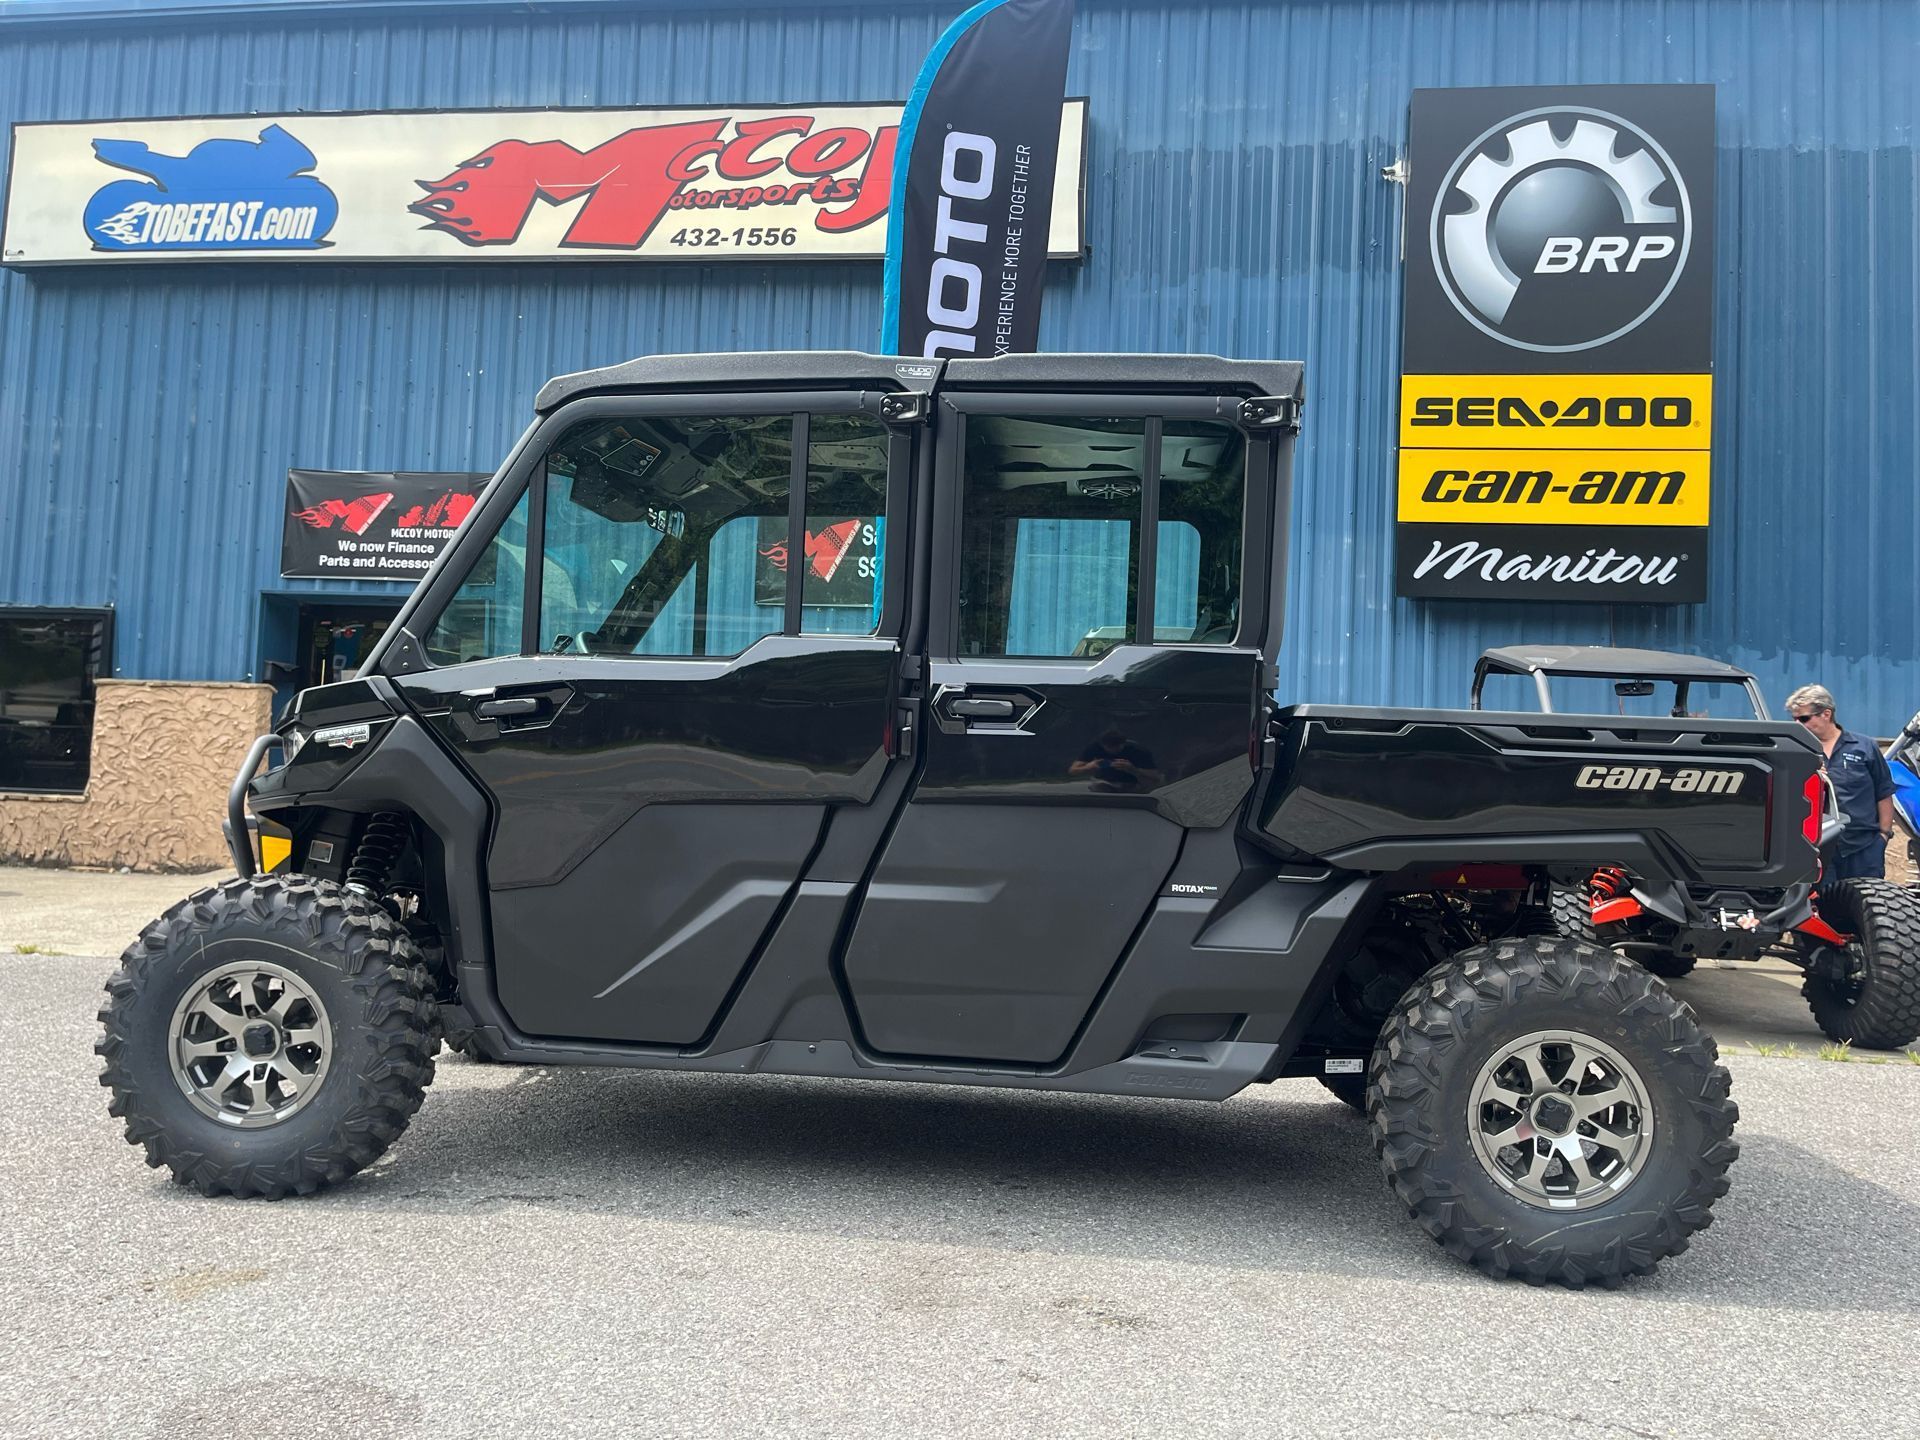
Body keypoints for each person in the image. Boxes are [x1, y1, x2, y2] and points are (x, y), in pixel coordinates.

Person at [1786, 684, 1894, 880]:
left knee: (1866, 904)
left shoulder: (1864, 747)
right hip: (1818, 846)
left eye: (1804, 718)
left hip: (1864, 847)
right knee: (1823, 904)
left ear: (1826, 714)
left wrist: (1883, 836)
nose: (1798, 724)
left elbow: (1884, 791)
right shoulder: (1796, 750)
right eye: (1794, 719)